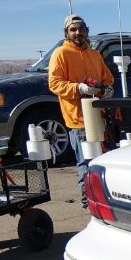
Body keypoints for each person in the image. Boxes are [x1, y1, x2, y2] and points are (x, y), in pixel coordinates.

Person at [48, 14, 114, 206]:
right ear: (66, 33)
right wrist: (79, 88)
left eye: (81, 29)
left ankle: (103, 199)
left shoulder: (94, 54)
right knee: (85, 163)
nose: (78, 33)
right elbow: (55, 84)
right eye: (73, 29)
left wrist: (107, 89)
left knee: (102, 161)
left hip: (99, 117)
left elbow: (108, 78)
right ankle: (89, 203)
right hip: (78, 120)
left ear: (87, 31)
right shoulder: (61, 53)